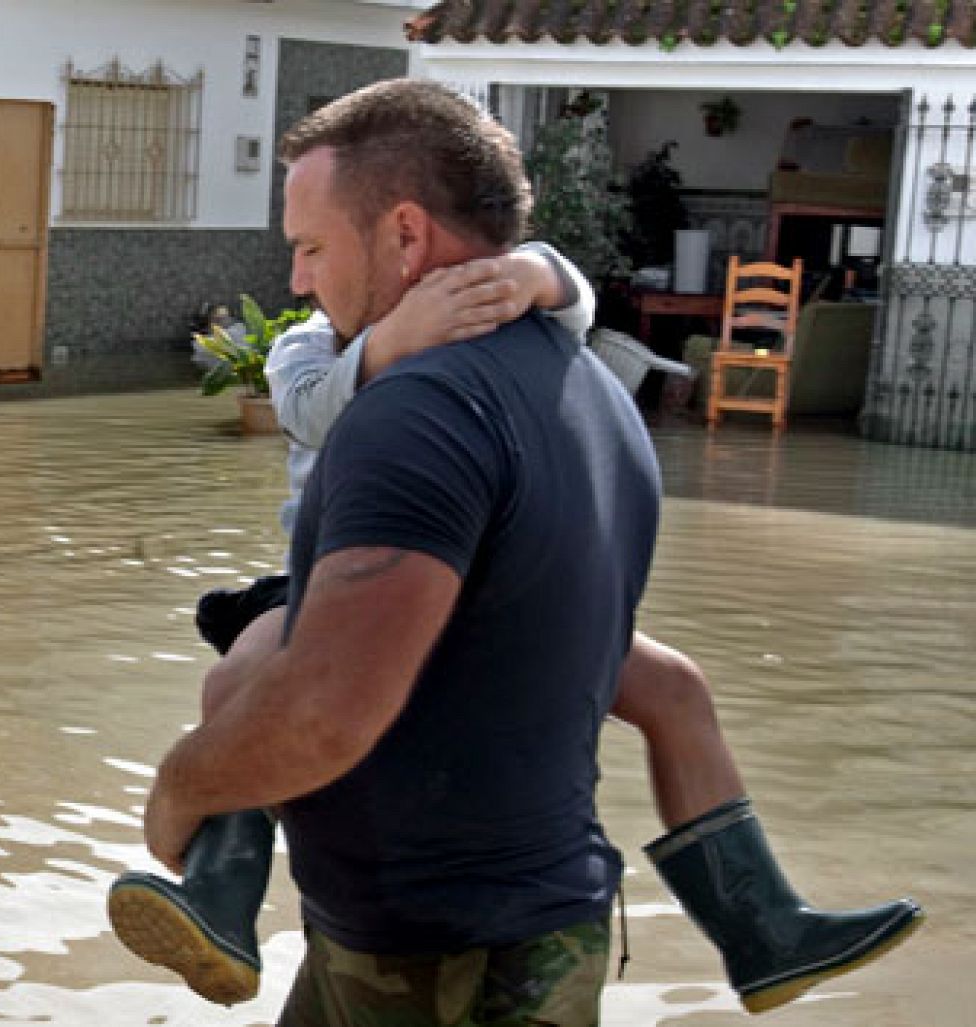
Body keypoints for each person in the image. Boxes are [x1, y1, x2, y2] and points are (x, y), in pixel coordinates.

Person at [108, 80, 922, 1024]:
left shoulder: (415, 413)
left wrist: (179, 787)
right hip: (539, 919)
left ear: (407, 235)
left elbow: (323, 717)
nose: (297, 279)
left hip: (428, 957)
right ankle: (758, 922)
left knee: (244, 674)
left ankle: (220, 885)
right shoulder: (593, 387)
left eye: (311, 248)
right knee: (673, 685)